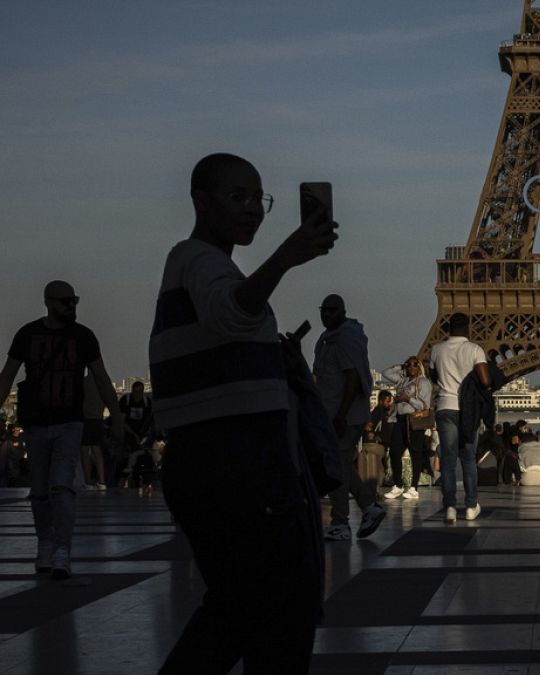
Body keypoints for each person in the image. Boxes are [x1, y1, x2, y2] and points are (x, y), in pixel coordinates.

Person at [149, 152, 337, 672]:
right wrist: (286, 256)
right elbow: (231, 311)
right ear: (201, 202)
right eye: (239, 197)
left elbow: (221, 338)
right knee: (284, 609)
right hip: (239, 463)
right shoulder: (199, 259)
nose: (253, 208)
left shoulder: (198, 265)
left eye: (259, 198)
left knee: (236, 608)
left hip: (211, 461)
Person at [0, 281, 124, 578]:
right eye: (66, 301)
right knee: (41, 490)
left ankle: (60, 549)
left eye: (74, 300)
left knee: (60, 487)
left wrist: (117, 417)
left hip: (69, 422)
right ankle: (48, 546)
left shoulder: (82, 337)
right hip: (37, 424)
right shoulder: (28, 334)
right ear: (49, 302)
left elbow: (103, 379)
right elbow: (6, 377)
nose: (72, 306)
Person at [315, 294, 385, 541]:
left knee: (336, 466)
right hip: (337, 414)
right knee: (342, 465)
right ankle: (369, 507)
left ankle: (341, 522)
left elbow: (353, 378)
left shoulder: (344, 338)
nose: (326, 315)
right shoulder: (331, 338)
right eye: (324, 310)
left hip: (343, 416)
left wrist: (341, 415)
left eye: (332, 311)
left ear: (342, 311)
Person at [428, 312, 489, 522]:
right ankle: (471, 506)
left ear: (447, 328)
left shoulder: (436, 350)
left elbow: (433, 376)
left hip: (445, 406)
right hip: (468, 409)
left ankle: (450, 508)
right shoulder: (474, 349)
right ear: (468, 328)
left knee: (448, 460)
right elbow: (485, 380)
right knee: (469, 459)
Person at [382, 357, 433, 500]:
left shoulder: (423, 383)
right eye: (409, 365)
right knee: (394, 452)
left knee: (415, 453)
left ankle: (413, 488)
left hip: (414, 420)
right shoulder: (402, 380)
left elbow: (424, 406)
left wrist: (407, 399)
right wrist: (401, 365)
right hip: (400, 419)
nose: (411, 367)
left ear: (419, 367)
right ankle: (397, 485)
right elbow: (385, 373)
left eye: (415, 365)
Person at [79, 373, 107, 490]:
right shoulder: (102, 382)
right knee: (97, 450)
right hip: (98, 419)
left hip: (85, 419)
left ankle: (88, 480)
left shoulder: (83, 382)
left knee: (85, 450)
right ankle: (102, 481)